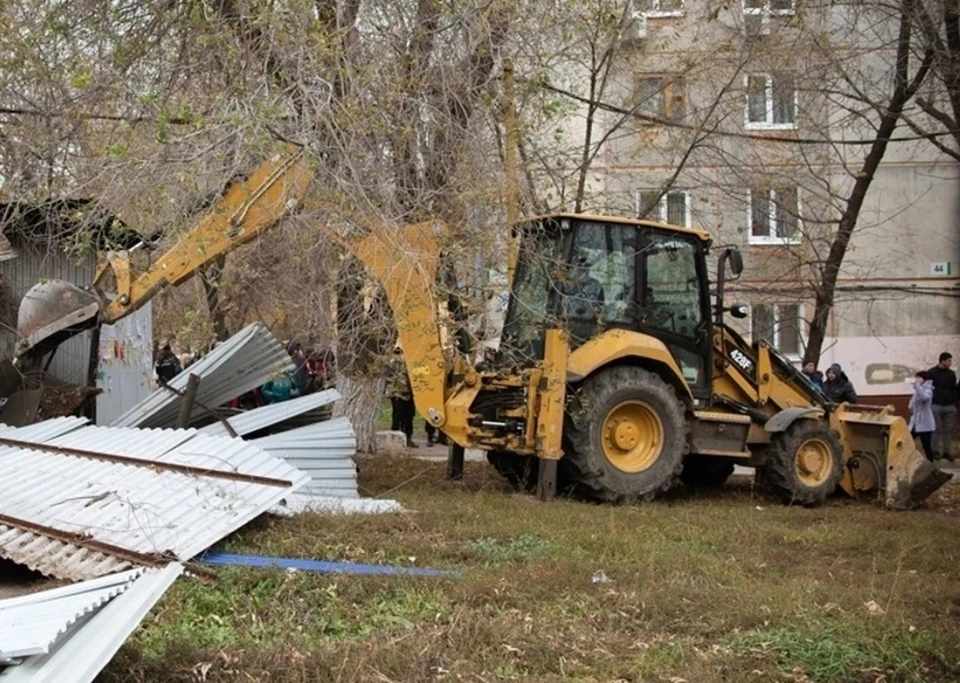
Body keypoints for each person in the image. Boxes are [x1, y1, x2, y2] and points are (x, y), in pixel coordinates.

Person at [928, 352, 957, 461]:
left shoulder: (951, 374)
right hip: (936, 405)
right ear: (943, 361)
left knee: (948, 430)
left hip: (949, 406)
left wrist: (954, 403)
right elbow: (928, 388)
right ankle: (935, 451)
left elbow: (954, 388)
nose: (950, 363)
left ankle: (947, 451)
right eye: (949, 360)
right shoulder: (932, 373)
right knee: (936, 429)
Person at [387, 348, 417, 448]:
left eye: (400, 353)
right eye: (396, 353)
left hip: (409, 394)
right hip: (397, 395)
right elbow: (389, 380)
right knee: (397, 417)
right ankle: (395, 439)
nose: (398, 356)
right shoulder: (391, 366)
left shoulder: (409, 364)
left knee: (409, 418)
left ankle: (408, 438)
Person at [908, 371, 936, 461]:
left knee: (926, 446)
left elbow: (925, 397)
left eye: (919, 378)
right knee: (907, 441)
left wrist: (918, 387)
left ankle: (932, 466)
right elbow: (911, 404)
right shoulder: (918, 390)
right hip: (916, 422)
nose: (917, 380)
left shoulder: (928, 389)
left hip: (925, 423)